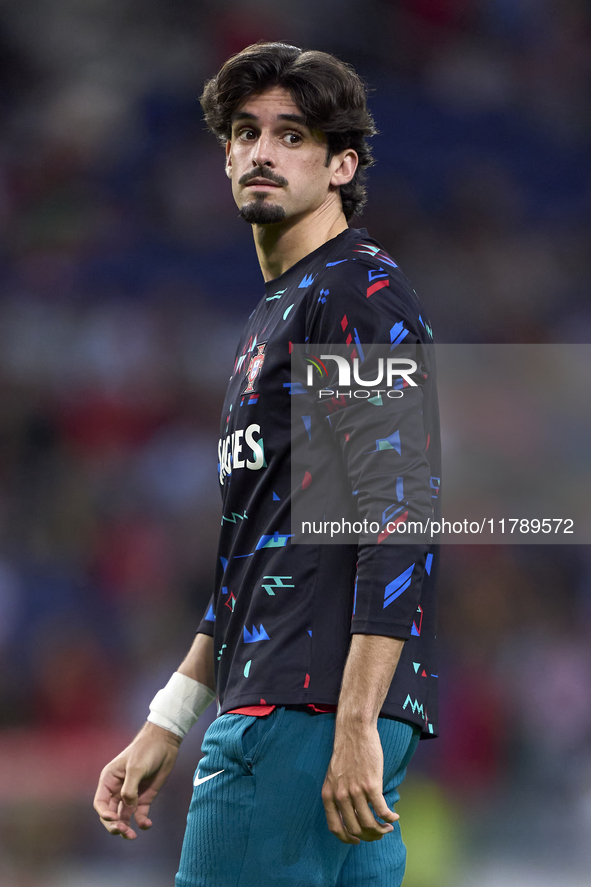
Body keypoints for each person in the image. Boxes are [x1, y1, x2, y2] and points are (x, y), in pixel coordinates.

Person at [93, 42, 441, 887]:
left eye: (292, 135)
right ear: (223, 157)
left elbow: (398, 512)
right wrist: (168, 719)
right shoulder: (277, 313)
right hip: (301, 703)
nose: (261, 152)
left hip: (301, 712)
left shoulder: (353, 293)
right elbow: (258, 555)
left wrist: (351, 720)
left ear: (340, 165)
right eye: (246, 133)